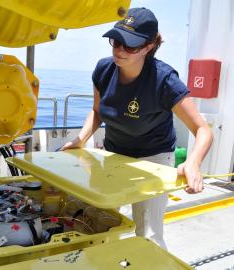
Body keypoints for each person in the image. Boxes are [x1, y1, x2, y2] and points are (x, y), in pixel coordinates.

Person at [60, 7, 213, 249]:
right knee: (98, 221)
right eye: (116, 41)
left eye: (130, 46)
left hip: (153, 159)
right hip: (113, 154)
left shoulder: (164, 80)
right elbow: (97, 111)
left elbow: (203, 129)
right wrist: (81, 138)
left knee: (148, 233)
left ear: (149, 46)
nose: (120, 50)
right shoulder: (103, 69)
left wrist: (193, 162)